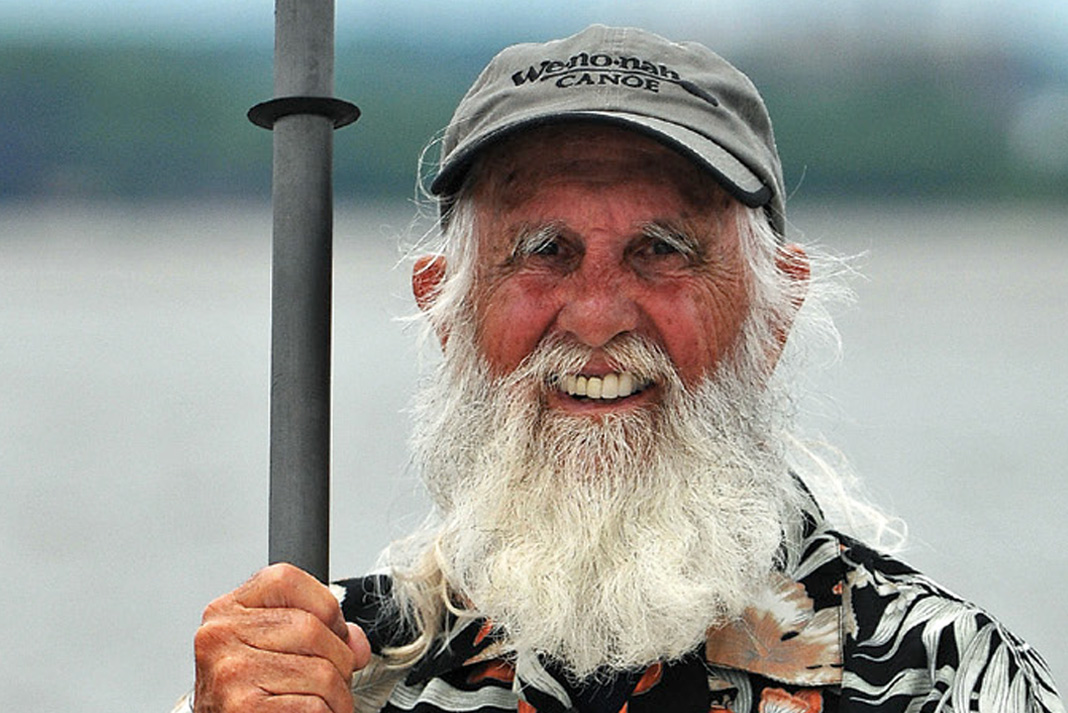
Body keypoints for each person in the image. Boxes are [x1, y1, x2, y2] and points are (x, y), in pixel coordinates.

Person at [177, 25, 1064, 713]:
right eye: (543, 250)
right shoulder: (333, 672)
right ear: (445, 308)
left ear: (775, 313)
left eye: (663, 249)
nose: (598, 312)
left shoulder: (938, 680)